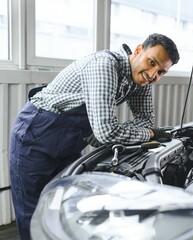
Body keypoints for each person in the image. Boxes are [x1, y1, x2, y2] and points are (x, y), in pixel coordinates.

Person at [9, 33, 180, 240]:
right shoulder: (105, 65)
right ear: (138, 50)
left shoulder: (140, 79)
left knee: (70, 201)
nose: (153, 75)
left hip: (70, 139)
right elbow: (109, 132)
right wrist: (148, 134)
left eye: (161, 72)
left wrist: (113, 131)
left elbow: (144, 120)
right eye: (151, 62)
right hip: (37, 133)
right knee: (32, 210)